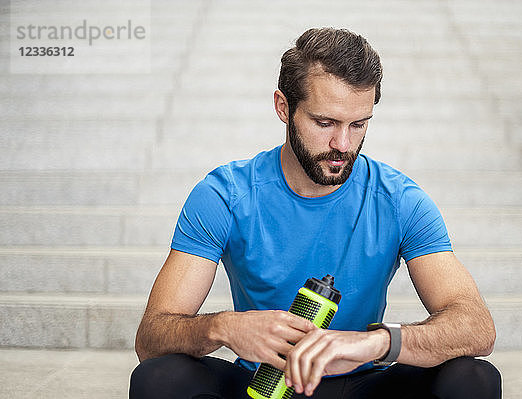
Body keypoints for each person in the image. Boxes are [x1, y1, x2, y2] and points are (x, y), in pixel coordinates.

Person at [130, 27, 501, 398]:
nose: (342, 144)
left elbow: (477, 328)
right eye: (324, 123)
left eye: (358, 125)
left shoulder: (399, 200)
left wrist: (377, 342)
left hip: (363, 384)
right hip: (264, 384)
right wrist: (224, 327)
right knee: (159, 378)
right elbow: (151, 338)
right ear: (283, 107)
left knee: (474, 378)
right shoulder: (224, 195)